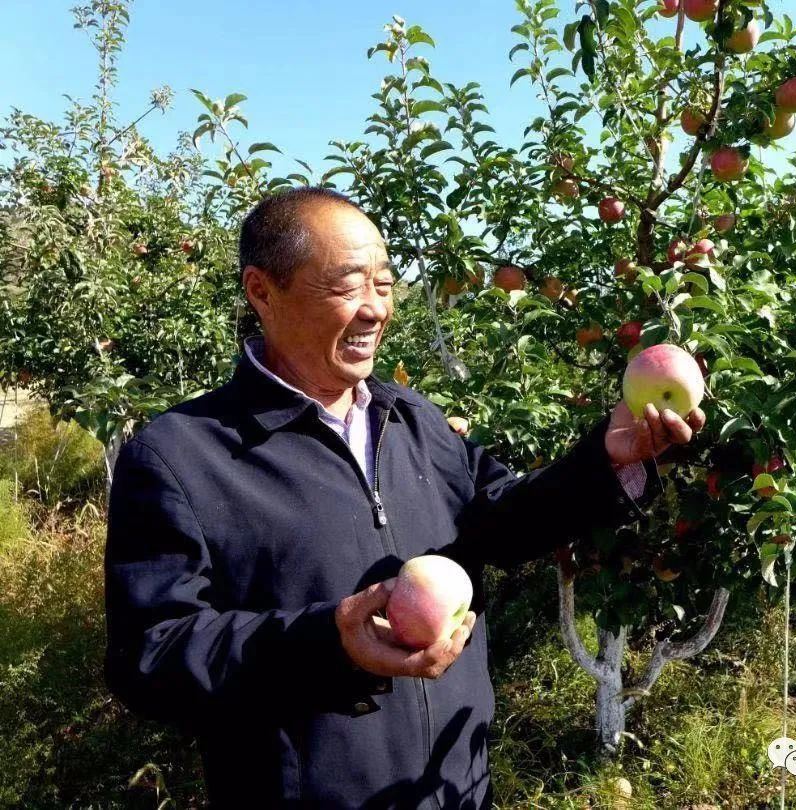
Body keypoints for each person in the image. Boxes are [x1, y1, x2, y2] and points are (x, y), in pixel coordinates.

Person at [104, 187, 706, 809]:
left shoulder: (409, 417)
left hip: (454, 789)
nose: (374, 310)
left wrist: (607, 458)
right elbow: (150, 656)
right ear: (263, 290)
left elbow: (500, 520)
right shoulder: (182, 457)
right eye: (347, 287)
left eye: (385, 286)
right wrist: (328, 643)